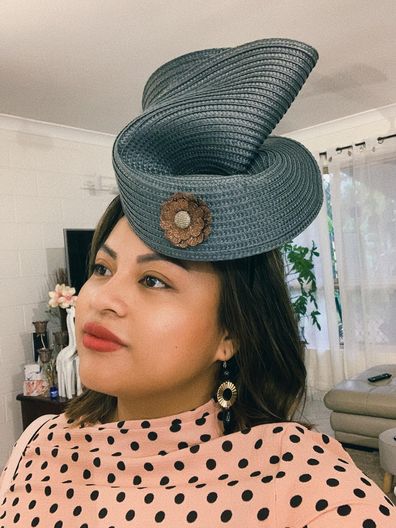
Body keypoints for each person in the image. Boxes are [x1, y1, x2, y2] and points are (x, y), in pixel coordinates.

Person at [1, 38, 395, 527]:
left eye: (154, 279)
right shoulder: (36, 444)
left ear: (230, 333)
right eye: (102, 269)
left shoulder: (301, 479)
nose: (101, 299)